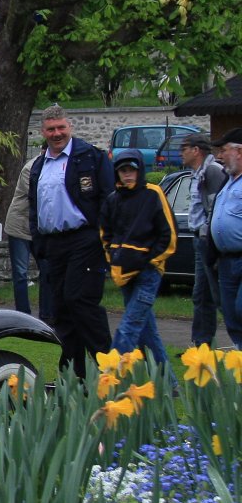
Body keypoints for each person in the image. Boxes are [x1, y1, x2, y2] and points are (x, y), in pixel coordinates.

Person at [28, 105, 114, 377]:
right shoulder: (39, 165)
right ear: (43, 132)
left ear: (70, 127)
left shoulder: (90, 157)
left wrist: (101, 236)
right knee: (61, 309)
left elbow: (109, 198)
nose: (57, 134)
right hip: (54, 244)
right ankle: (72, 376)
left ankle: (107, 366)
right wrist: (38, 244)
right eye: (51, 129)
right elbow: (34, 206)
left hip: (84, 238)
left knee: (80, 299)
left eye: (61, 128)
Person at [99, 150, 176, 368]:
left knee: (129, 327)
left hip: (148, 273)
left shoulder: (153, 193)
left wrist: (152, 261)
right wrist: (113, 260)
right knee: (147, 334)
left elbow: (169, 234)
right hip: (124, 273)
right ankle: (168, 382)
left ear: (140, 170)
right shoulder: (113, 199)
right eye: (123, 170)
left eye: (131, 170)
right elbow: (105, 234)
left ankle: (110, 373)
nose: (127, 174)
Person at [181, 134, 227, 347]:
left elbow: (216, 207)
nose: (181, 153)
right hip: (199, 238)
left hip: (208, 240)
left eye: (184, 148)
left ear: (196, 150)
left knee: (218, 294)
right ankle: (202, 344)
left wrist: (208, 237)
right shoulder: (197, 173)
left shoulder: (212, 171)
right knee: (201, 294)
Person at [3, 156, 51, 321]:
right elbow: (37, 195)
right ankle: (23, 315)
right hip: (19, 226)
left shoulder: (56, 166)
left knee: (47, 270)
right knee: (20, 273)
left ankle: (47, 314)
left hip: (39, 229)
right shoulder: (30, 168)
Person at [210, 127, 242, 347]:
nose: (219, 156)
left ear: (239, 151)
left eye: (224, 150)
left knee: (241, 308)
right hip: (226, 260)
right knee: (230, 314)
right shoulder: (228, 181)